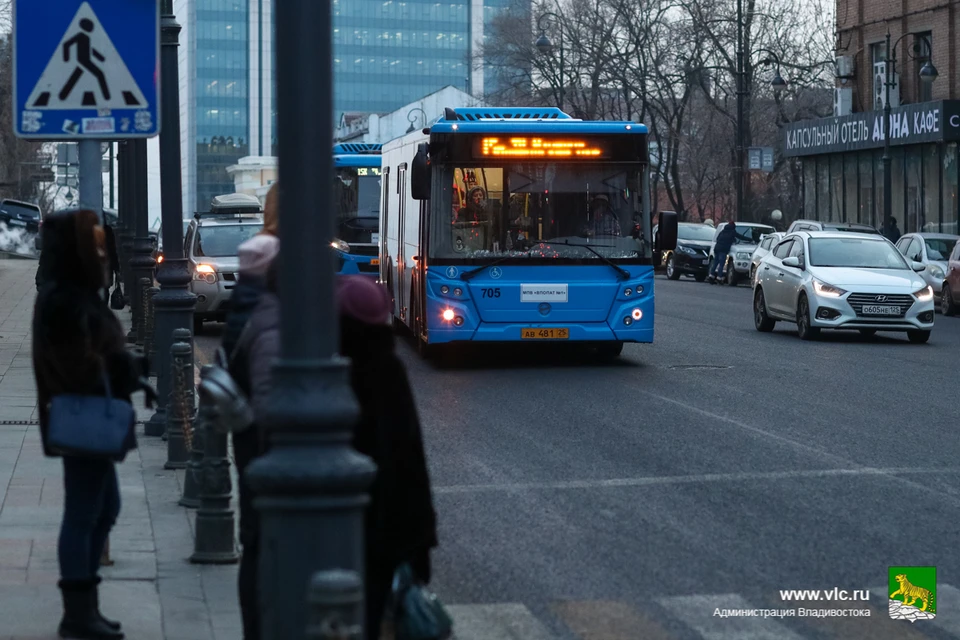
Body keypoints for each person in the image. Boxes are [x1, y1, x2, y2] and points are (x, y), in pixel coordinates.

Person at [241, 267, 438, 640]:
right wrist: (419, 542)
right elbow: (410, 461)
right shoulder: (388, 367)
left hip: (359, 532)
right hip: (395, 531)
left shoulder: (337, 369)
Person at [32, 209, 155, 640]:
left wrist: (130, 368)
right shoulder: (63, 299)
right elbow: (78, 366)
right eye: (97, 243)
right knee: (84, 513)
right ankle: (77, 614)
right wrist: (128, 369)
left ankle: (87, 607)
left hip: (87, 411)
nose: (104, 250)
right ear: (78, 248)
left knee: (104, 509)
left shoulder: (75, 292)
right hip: (81, 415)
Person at [220, 182, 280, 640]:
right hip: (274, 442)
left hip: (249, 440)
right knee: (273, 545)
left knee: (256, 543)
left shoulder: (246, 300)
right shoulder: (276, 310)